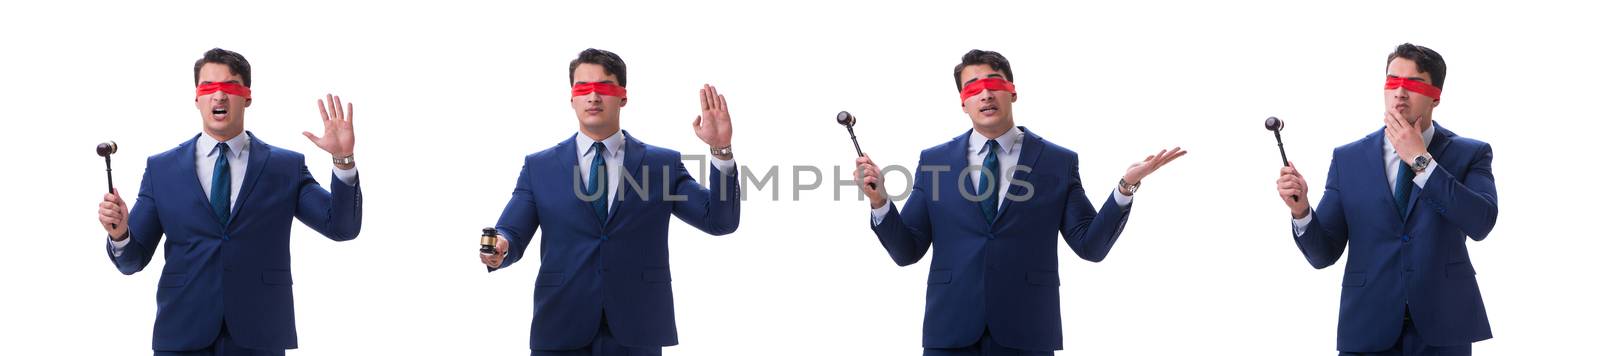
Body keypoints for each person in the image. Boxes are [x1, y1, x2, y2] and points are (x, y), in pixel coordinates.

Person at [853, 49, 1186, 354]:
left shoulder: (1057, 162)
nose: (984, 94)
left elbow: (1090, 246)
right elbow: (907, 251)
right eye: (972, 88)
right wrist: (880, 200)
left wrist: (1126, 186)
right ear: (962, 102)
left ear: (1013, 91)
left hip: (1027, 332)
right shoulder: (934, 161)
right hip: (949, 332)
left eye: (993, 84)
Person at [97, 48, 364, 355]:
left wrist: (343, 160)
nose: (219, 96)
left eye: (231, 87)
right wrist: (119, 233)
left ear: (247, 97)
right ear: (196, 98)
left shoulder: (284, 167)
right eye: (208, 87)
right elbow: (132, 260)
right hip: (182, 334)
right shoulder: (162, 169)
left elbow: (341, 226)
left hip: (259, 334)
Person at [479, 48, 741, 356]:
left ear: (623, 97)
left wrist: (721, 149)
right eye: (583, 88)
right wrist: (500, 248)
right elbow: (512, 231)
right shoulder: (540, 167)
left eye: (604, 87)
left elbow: (719, 220)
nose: (593, 96)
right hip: (561, 325)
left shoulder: (661, 166)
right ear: (571, 98)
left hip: (637, 329)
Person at [1275, 43, 1498, 355]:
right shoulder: (1348, 159)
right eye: (1393, 81)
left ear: (1436, 96)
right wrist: (1301, 211)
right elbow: (1323, 253)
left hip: (1444, 328)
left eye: (1413, 84)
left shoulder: (1471, 154)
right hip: (1367, 328)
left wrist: (1421, 160)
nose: (1400, 92)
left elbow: (1480, 222)